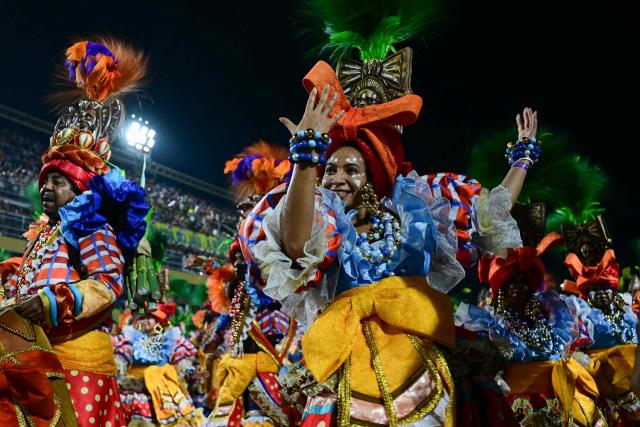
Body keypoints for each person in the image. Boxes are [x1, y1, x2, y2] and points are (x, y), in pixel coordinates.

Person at [238, 59, 535, 426]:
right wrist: (305, 155)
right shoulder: (320, 221)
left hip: (419, 360)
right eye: (330, 168)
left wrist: (523, 158)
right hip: (345, 360)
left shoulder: (415, 212)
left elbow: (490, 212)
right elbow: (296, 247)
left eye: (351, 169)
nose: (337, 178)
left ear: (371, 177)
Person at [2, 37, 149, 427]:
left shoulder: (91, 225)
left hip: (76, 358)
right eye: (45, 181)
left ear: (81, 191)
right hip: (34, 355)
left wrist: (53, 301)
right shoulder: (43, 235)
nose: (48, 188)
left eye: (59, 182)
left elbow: (106, 282)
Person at [456, 233, 602, 426]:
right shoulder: (491, 324)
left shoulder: (552, 315)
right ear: (501, 287)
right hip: (520, 407)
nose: (518, 287)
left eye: (522, 281)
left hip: (563, 396)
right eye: (511, 282)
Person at [563, 249, 640, 423]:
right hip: (603, 380)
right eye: (595, 289)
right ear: (587, 293)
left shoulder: (627, 308)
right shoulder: (582, 315)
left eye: (605, 288)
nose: (601, 293)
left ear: (613, 289)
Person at [114, 304, 203, 426]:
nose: (144, 321)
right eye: (142, 318)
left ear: (158, 320)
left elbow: (182, 362)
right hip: (136, 386)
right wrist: (115, 369)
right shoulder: (132, 338)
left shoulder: (170, 339)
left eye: (149, 318)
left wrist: (191, 372)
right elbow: (121, 358)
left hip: (163, 385)